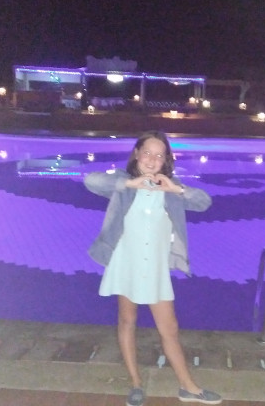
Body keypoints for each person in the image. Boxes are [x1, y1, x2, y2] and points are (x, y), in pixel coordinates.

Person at [84, 131, 222, 406]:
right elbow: (91, 180)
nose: (152, 159)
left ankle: (188, 387)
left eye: (159, 155)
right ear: (136, 153)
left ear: (166, 160)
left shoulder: (170, 187)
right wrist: (130, 183)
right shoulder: (123, 182)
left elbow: (203, 202)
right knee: (127, 321)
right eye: (147, 152)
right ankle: (136, 384)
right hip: (126, 264)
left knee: (169, 328)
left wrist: (175, 189)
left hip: (156, 268)